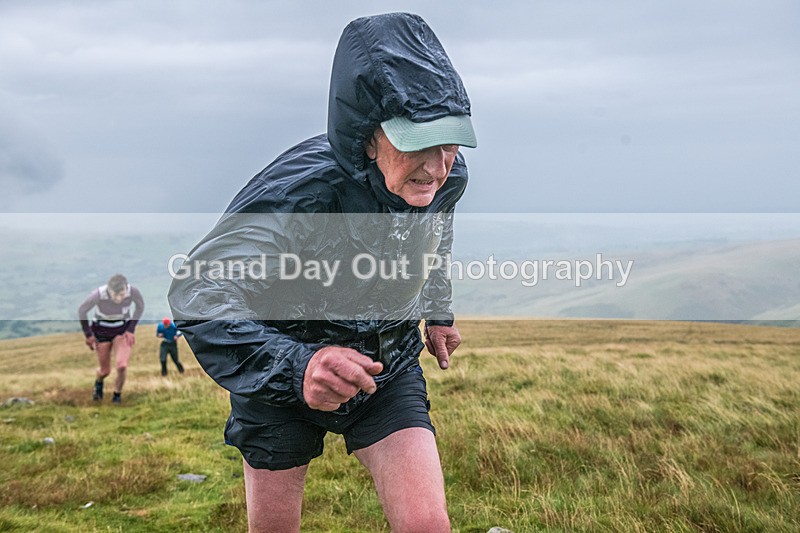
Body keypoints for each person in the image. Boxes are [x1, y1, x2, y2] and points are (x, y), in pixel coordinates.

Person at [169, 13, 475, 532]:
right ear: (366, 135)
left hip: (387, 366)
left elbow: (434, 239)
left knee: (429, 525)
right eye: (415, 143)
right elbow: (200, 292)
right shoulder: (300, 194)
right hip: (278, 378)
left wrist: (437, 313)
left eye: (449, 142)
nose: (437, 166)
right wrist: (298, 368)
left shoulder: (447, 179)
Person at [78, 273, 145, 404]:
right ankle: (99, 382)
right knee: (105, 371)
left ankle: (117, 396)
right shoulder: (98, 295)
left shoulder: (133, 292)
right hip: (101, 331)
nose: (118, 299)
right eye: (115, 295)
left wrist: (131, 329)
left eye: (121, 295)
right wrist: (88, 335)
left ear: (126, 288)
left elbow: (140, 306)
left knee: (121, 365)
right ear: (109, 290)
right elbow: (82, 310)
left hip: (121, 330)